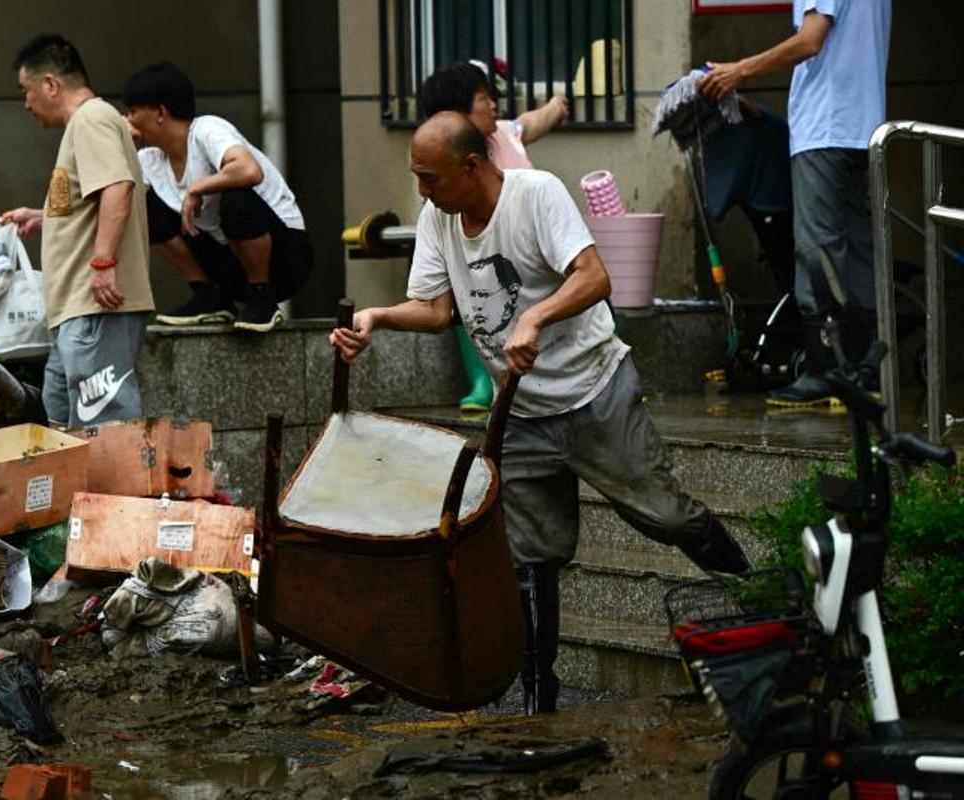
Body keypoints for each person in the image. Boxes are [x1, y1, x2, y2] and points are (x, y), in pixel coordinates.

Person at [329, 112, 751, 715]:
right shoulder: (438, 218)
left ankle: (757, 599)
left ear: (471, 165)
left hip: (594, 391)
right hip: (519, 409)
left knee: (667, 516)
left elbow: (595, 276)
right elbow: (437, 307)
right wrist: (376, 319)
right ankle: (537, 702)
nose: (422, 190)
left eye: (430, 177)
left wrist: (535, 316)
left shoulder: (536, 195)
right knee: (530, 555)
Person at [700, 1, 892, 406]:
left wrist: (738, 71)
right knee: (856, 250)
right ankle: (863, 369)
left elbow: (810, 41)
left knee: (815, 248)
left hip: (825, 126)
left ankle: (826, 371)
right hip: (864, 126)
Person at [0, 34, 155, 430]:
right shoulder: (90, 122)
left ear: (50, 84)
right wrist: (42, 216)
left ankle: (112, 495)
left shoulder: (91, 119)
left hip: (94, 307)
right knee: (62, 431)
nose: (26, 103)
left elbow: (117, 188)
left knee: (104, 428)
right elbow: (93, 199)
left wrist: (103, 262)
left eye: (27, 91)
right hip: (78, 310)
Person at [419, 61, 569, 412]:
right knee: (467, 294)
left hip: (532, 263)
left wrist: (556, 105)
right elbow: (434, 308)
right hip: (481, 266)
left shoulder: (504, 134)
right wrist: (376, 317)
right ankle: (482, 379)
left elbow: (530, 122)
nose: (493, 105)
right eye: (483, 98)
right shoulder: (440, 172)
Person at [123, 62, 313, 334]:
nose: (128, 120)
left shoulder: (206, 130)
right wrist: (118, 141)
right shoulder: (149, 159)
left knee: (235, 196)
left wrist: (198, 188)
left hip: (285, 260)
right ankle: (209, 296)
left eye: (132, 112)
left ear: (160, 112)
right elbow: (118, 201)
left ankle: (262, 295)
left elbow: (249, 170)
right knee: (142, 207)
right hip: (229, 265)